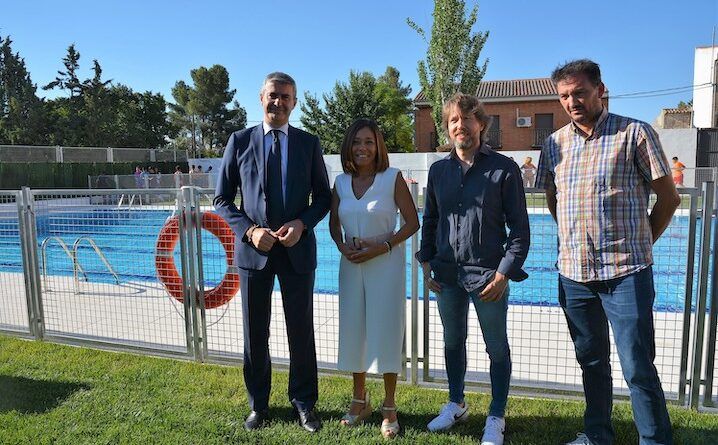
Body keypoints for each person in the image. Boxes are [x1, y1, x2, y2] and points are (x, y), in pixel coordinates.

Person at [535, 59, 680, 445]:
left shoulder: (635, 134)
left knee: (638, 367)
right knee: (592, 363)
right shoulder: (554, 143)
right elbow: (553, 199)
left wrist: (642, 241)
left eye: (580, 92)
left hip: (627, 274)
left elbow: (668, 198)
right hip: (574, 276)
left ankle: (654, 440)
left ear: (600, 90)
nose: (572, 101)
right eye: (565, 95)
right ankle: (598, 435)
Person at [213, 72, 331, 433]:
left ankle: (304, 402)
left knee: (301, 331)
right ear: (261, 98)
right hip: (254, 253)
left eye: (285, 97)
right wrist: (249, 231)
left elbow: (323, 198)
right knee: (255, 332)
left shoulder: (309, 144)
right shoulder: (239, 141)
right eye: (272, 96)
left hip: (296, 252)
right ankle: (258, 404)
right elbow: (221, 199)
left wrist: (302, 224)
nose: (278, 102)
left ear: (294, 103)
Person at [416, 93, 530, 445]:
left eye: (467, 119)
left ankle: (496, 415)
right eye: (454, 121)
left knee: (496, 347)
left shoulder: (504, 169)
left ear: (481, 123)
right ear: (448, 128)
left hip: (488, 278)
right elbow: (431, 220)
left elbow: (520, 230)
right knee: (453, 343)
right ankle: (456, 402)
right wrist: (426, 262)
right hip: (448, 274)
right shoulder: (438, 171)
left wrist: (504, 273)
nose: (461, 126)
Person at [329, 119, 419, 439]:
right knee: (354, 328)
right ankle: (359, 400)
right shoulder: (340, 182)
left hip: (386, 264)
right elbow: (333, 225)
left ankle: (390, 406)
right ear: (348, 147)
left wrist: (382, 246)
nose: (362, 148)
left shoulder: (391, 178)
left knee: (387, 330)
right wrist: (342, 247)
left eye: (368, 142)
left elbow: (412, 223)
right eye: (356, 142)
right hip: (351, 266)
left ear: (378, 146)